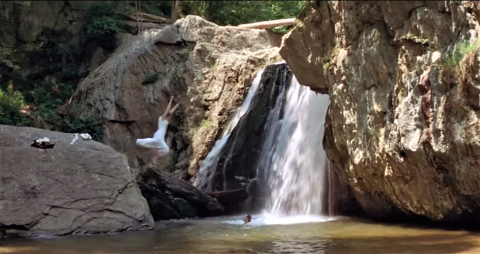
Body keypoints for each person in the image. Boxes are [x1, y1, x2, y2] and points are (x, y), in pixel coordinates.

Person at [136, 96, 180, 164]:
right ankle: (139, 142)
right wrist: (170, 101)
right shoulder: (161, 118)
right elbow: (168, 111)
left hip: (159, 135)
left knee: (160, 149)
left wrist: (176, 106)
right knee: (163, 148)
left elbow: (170, 112)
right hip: (159, 135)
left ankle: (154, 162)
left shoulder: (164, 119)